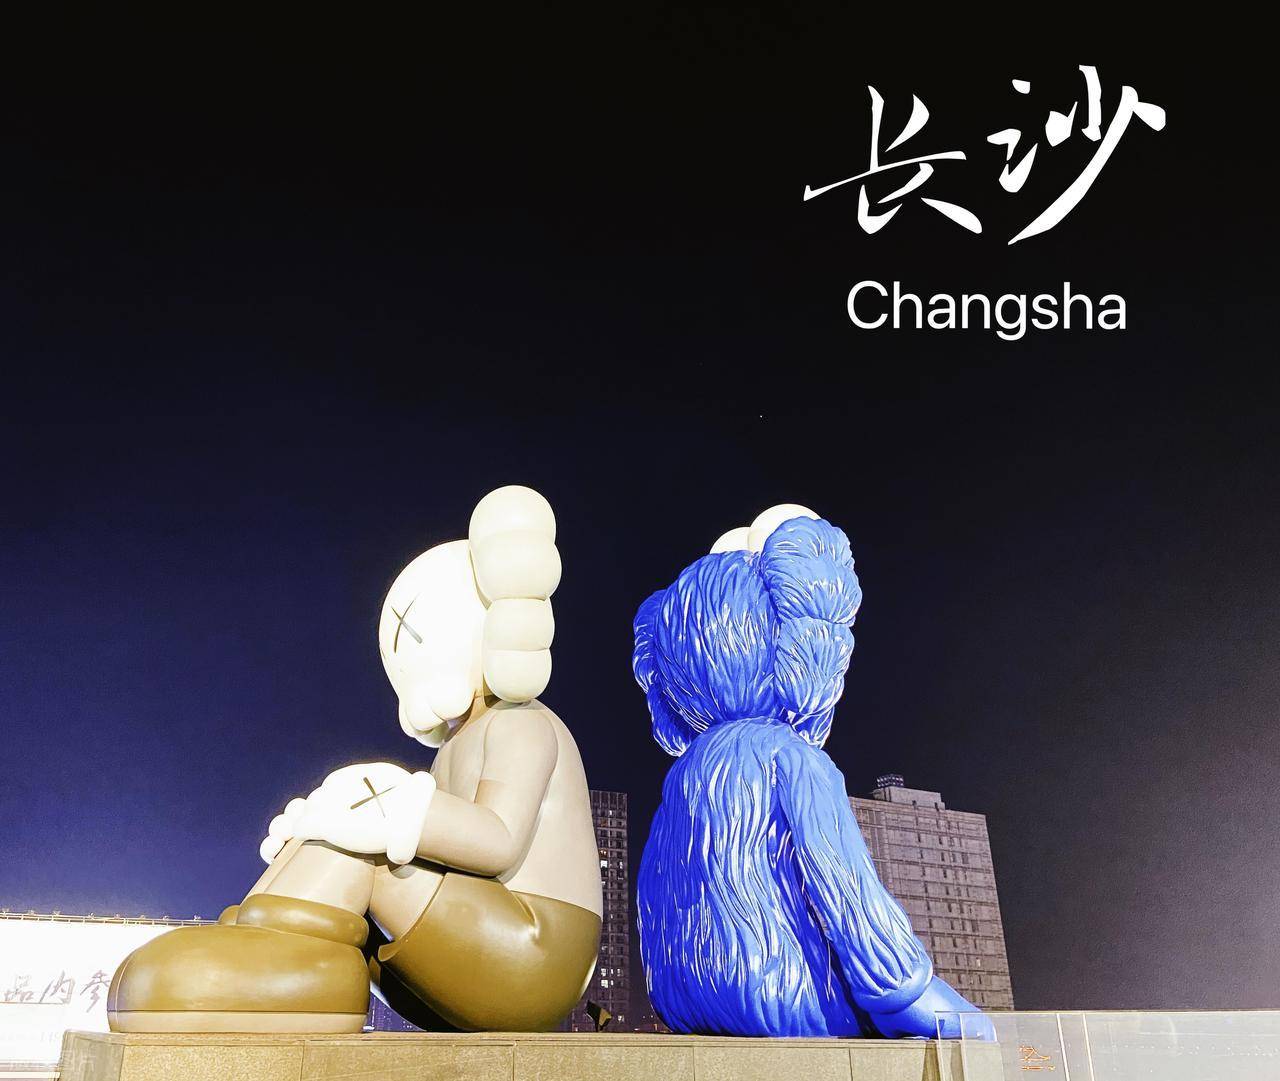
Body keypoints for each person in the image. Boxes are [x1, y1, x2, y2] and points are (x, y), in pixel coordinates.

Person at [108, 486, 602, 1033]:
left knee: (367, 846)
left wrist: (386, 808)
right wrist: (327, 821)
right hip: (483, 945)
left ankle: (280, 967)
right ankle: (257, 937)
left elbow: (498, 839)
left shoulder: (521, 723)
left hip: (531, 956)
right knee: (349, 829)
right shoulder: (460, 742)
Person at [633, 505, 982, 1039]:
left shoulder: (681, 780)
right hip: (791, 1001)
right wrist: (908, 993)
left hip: (689, 1005)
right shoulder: (790, 756)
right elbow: (844, 888)